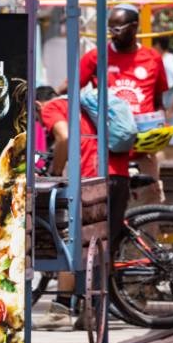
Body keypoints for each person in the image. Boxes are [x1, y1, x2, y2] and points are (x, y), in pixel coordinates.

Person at [37, 87, 130, 330]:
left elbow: (64, 137)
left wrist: (55, 172)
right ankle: (94, 314)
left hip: (92, 179)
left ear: (37, 104)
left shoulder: (51, 107)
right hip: (119, 174)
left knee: (73, 240)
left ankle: (65, 309)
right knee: (102, 247)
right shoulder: (84, 104)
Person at [78, 4, 169, 210]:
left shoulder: (153, 58)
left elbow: (159, 102)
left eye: (117, 29)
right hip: (110, 156)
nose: (112, 35)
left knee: (148, 216)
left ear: (134, 27)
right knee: (108, 219)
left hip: (144, 153)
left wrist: (161, 129)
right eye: (109, 29)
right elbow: (70, 89)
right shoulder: (96, 56)